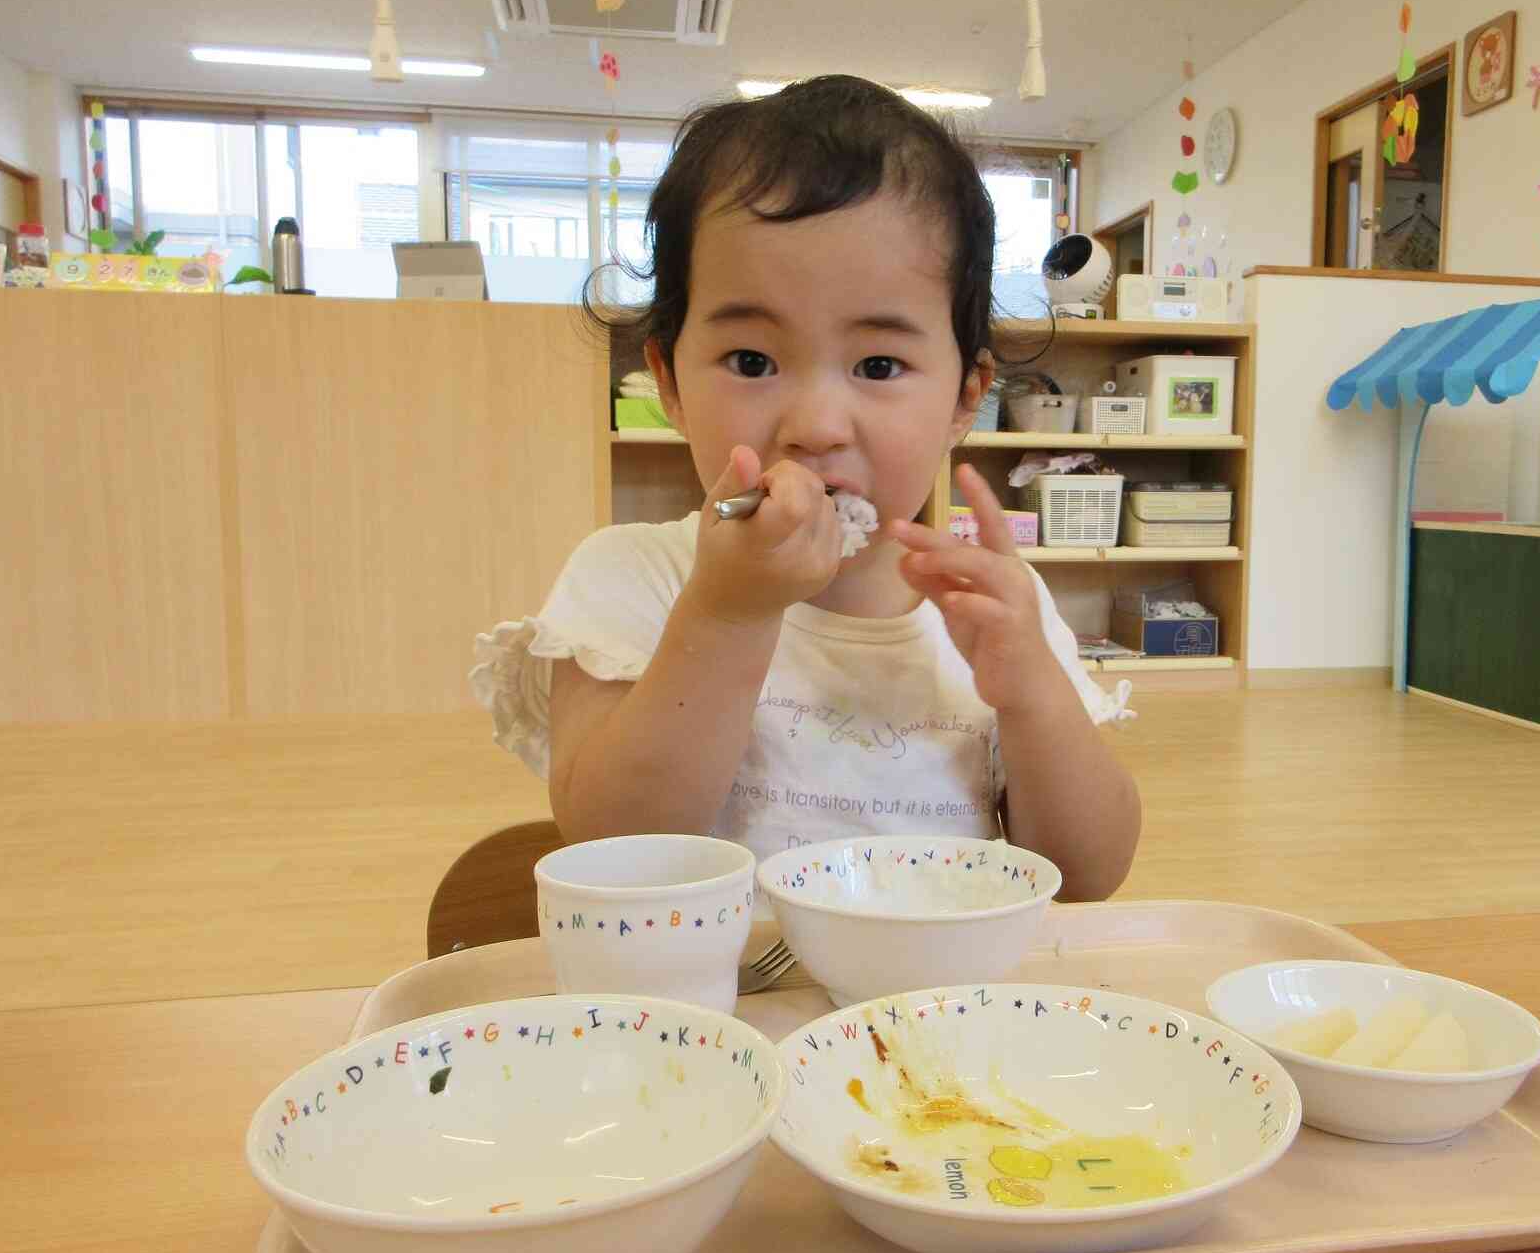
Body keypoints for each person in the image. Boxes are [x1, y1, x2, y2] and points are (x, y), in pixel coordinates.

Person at [472, 76, 1141, 900]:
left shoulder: (992, 611)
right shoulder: (633, 580)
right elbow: (614, 845)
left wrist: (1034, 694)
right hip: (718, 1016)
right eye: (752, 361)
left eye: (878, 365)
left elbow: (1085, 878)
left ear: (967, 396)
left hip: (934, 1015)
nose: (816, 423)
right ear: (668, 382)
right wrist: (726, 614)